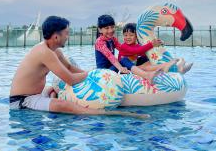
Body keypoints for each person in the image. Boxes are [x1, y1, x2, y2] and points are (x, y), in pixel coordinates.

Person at [10, 15, 149, 118]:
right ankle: (113, 113)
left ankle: (51, 95)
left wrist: (92, 77)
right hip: (22, 100)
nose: (68, 36)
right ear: (56, 37)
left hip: (36, 95)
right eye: (66, 33)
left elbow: (70, 68)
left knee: (53, 89)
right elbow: (70, 79)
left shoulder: (54, 51)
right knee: (63, 106)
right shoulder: (44, 52)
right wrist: (90, 74)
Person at [95, 15, 165, 82]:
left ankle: (157, 69)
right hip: (104, 72)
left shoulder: (112, 39)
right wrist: (121, 68)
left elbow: (123, 49)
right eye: (107, 28)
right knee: (123, 60)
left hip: (113, 67)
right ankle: (147, 75)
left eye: (112, 27)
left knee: (143, 58)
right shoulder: (99, 42)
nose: (110, 30)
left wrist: (152, 46)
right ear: (100, 30)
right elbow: (111, 57)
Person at [118, 23, 193, 76]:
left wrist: (157, 46)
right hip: (125, 68)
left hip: (135, 66)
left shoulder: (137, 45)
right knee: (144, 65)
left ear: (136, 36)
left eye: (131, 35)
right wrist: (151, 44)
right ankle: (167, 66)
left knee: (148, 58)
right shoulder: (124, 46)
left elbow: (145, 52)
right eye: (125, 35)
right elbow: (137, 51)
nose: (128, 37)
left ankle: (177, 68)